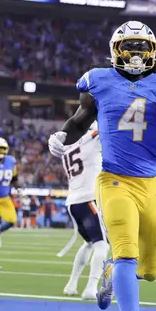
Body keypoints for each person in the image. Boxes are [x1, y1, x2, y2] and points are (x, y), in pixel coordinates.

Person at [48, 21, 156, 311]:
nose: (135, 53)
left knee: (151, 270)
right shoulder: (98, 80)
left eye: (141, 47)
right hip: (113, 179)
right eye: (128, 46)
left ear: (153, 51)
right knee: (127, 250)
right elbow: (80, 120)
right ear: (115, 50)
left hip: (151, 185)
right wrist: (61, 135)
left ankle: (109, 270)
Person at [59, 122, 110, 300]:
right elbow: (104, 131)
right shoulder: (92, 138)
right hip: (88, 199)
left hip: (73, 202)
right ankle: (90, 287)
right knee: (102, 244)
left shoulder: (67, 147)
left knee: (88, 243)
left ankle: (71, 284)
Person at [0, 137, 17, 247]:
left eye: (2, 148)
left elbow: (14, 177)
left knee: (11, 220)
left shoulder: (11, 160)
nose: (0, 151)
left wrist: (17, 187)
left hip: (4, 197)